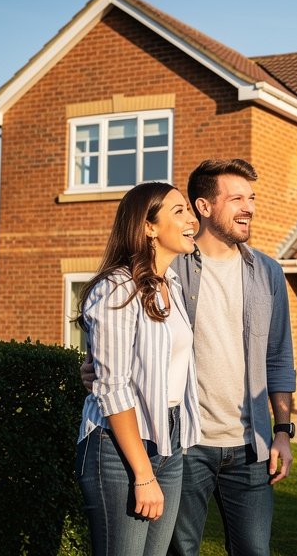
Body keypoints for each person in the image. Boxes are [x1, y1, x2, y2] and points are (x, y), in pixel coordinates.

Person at [82, 159, 296, 556]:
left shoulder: (266, 273)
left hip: (249, 444)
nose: (249, 207)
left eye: (251, 198)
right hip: (185, 443)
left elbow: (279, 357)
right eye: (237, 199)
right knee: (179, 550)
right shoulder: (169, 268)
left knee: (255, 550)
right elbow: (118, 354)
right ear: (204, 206)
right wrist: (98, 368)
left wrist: (282, 430)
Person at [75, 182, 202, 555]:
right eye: (179, 211)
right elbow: (112, 387)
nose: (191, 219)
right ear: (148, 227)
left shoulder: (171, 284)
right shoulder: (117, 287)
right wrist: (143, 473)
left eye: (188, 210)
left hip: (168, 439)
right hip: (118, 446)